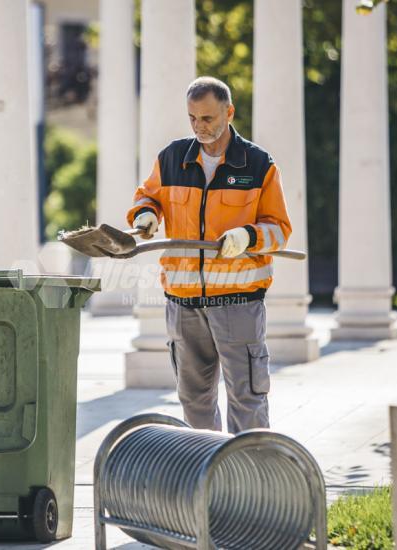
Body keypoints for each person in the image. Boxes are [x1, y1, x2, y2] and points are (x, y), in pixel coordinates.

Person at [126, 76, 292, 433]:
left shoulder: (258, 165)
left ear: (228, 112)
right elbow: (148, 195)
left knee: (246, 397)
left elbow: (279, 229)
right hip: (183, 305)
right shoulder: (171, 158)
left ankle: (250, 481)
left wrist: (247, 236)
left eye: (208, 118)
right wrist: (146, 214)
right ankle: (207, 476)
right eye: (192, 118)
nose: (200, 127)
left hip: (238, 303)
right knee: (194, 401)